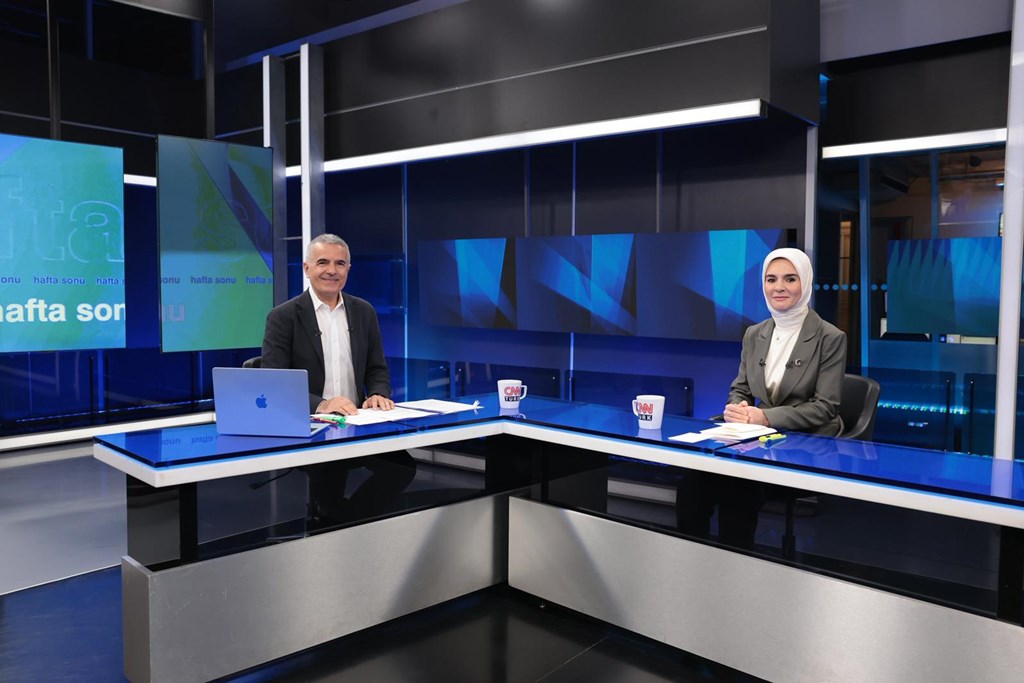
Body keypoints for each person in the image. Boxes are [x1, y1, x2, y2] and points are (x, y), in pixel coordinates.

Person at [677, 247, 847, 547]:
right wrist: (736, 408)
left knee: (738, 487)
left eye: (790, 279)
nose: (779, 287)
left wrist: (766, 416)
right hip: (757, 439)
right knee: (693, 481)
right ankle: (691, 558)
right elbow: (740, 388)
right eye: (771, 279)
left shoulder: (830, 337)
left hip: (805, 442)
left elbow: (825, 408)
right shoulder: (755, 334)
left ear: (805, 282)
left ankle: (736, 563)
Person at [261, 233, 415, 525]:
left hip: (357, 424)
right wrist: (321, 404)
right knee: (329, 486)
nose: (332, 270)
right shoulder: (283, 317)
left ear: (348, 269)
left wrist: (378, 393)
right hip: (312, 427)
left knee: (402, 468)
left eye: (340, 263)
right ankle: (338, 524)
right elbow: (273, 383)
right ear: (307, 268)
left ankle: (345, 521)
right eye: (323, 262)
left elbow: (377, 368)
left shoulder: (363, 311)